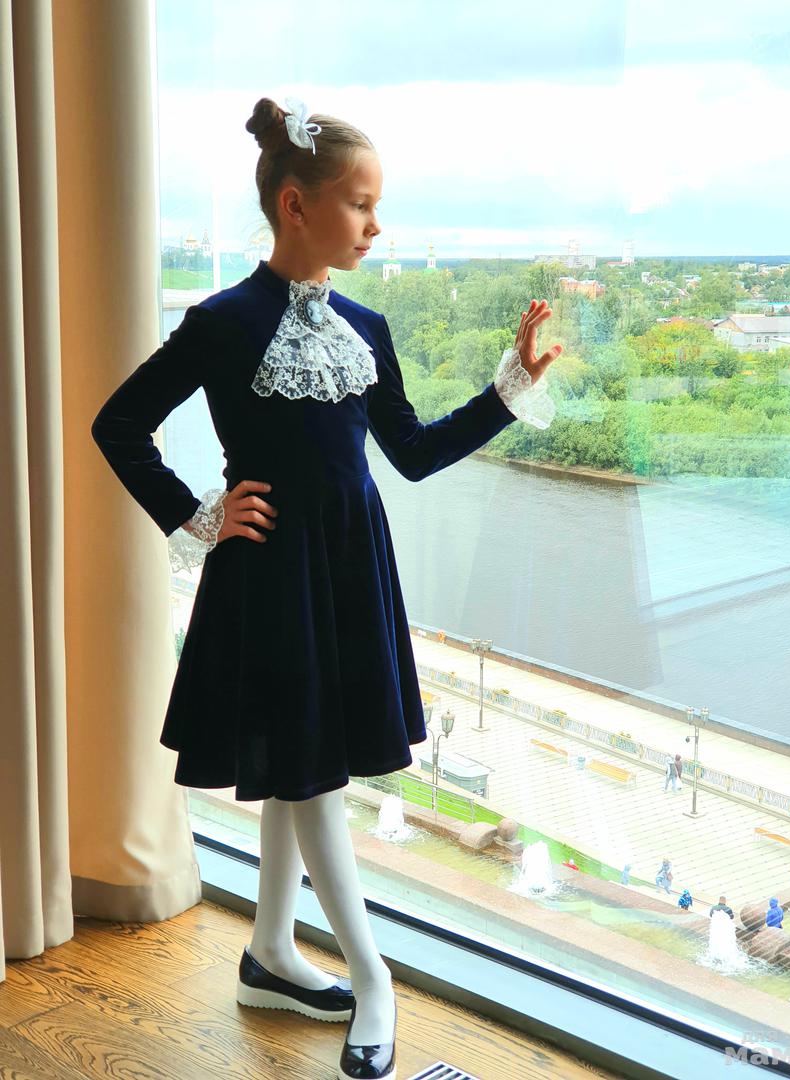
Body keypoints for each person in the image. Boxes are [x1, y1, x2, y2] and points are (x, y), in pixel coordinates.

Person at [90, 95, 563, 1079]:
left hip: (348, 569)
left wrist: (507, 392)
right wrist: (199, 514)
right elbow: (119, 424)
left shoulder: (368, 326)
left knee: (297, 763)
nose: (376, 225)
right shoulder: (221, 323)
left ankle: (269, 953)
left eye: (377, 205)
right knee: (309, 775)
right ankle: (373, 978)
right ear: (296, 205)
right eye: (361, 203)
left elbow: (414, 453)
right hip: (270, 575)